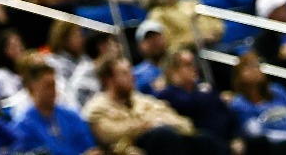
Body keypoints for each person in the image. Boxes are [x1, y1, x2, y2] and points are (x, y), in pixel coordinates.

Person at [81, 60, 219, 155]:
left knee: (204, 139)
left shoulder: (141, 99)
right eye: (124, 73)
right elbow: (110, 134)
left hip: (165, 139)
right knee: (163, 135)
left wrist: (160, 122)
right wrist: (147, 124)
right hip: (130, 148)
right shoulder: (96, 108)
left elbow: (180, 121)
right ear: (108, 79)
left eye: (130, 72)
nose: (132, 76)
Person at [223, 53, 286, 151]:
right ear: (239, 75)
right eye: (249, 67)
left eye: (257, 66)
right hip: (278, 146)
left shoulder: (277, 90)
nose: (256, 69)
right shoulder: (239, 104)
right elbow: (257, 134)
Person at [147, 52, 237, 151]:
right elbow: (189, 104)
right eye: (187, 65)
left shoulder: (204, 89)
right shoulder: (167, 94)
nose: (194, 68)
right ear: (173, 71)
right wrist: (207, 94)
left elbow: (225, 113)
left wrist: (234, 137)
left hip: (223, 140)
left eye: (194, 63)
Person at [8, 63, 95, 155]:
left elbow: (90, 147)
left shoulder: (72, 116)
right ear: (32, 88)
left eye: (54, 85)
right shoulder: (23, 126)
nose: (53, 91)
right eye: (47, 86)